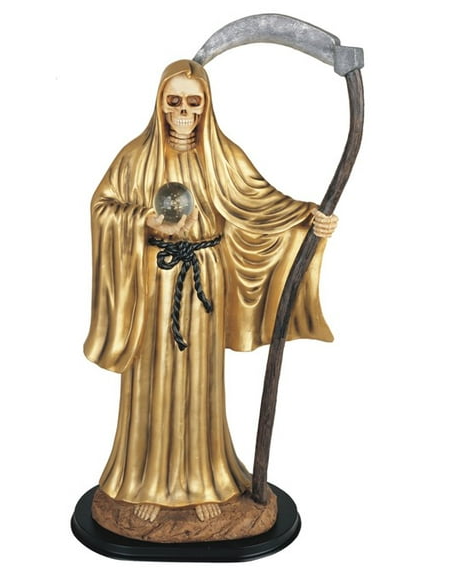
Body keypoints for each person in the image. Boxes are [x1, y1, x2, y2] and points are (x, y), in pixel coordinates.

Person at [83, 59, 337, 540]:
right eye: (174, 101)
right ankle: (147, 482)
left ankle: (204, 481)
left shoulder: (223, 158)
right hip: (153, 282)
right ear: (160, 103)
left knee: (200, 385)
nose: (183, 112)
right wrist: (141, 221)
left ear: (207, 106)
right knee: (153, 381)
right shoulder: (135, 157)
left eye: (193, 102)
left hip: (205, 282)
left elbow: (263, 205)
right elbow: (102, 208)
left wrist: (309, 217)